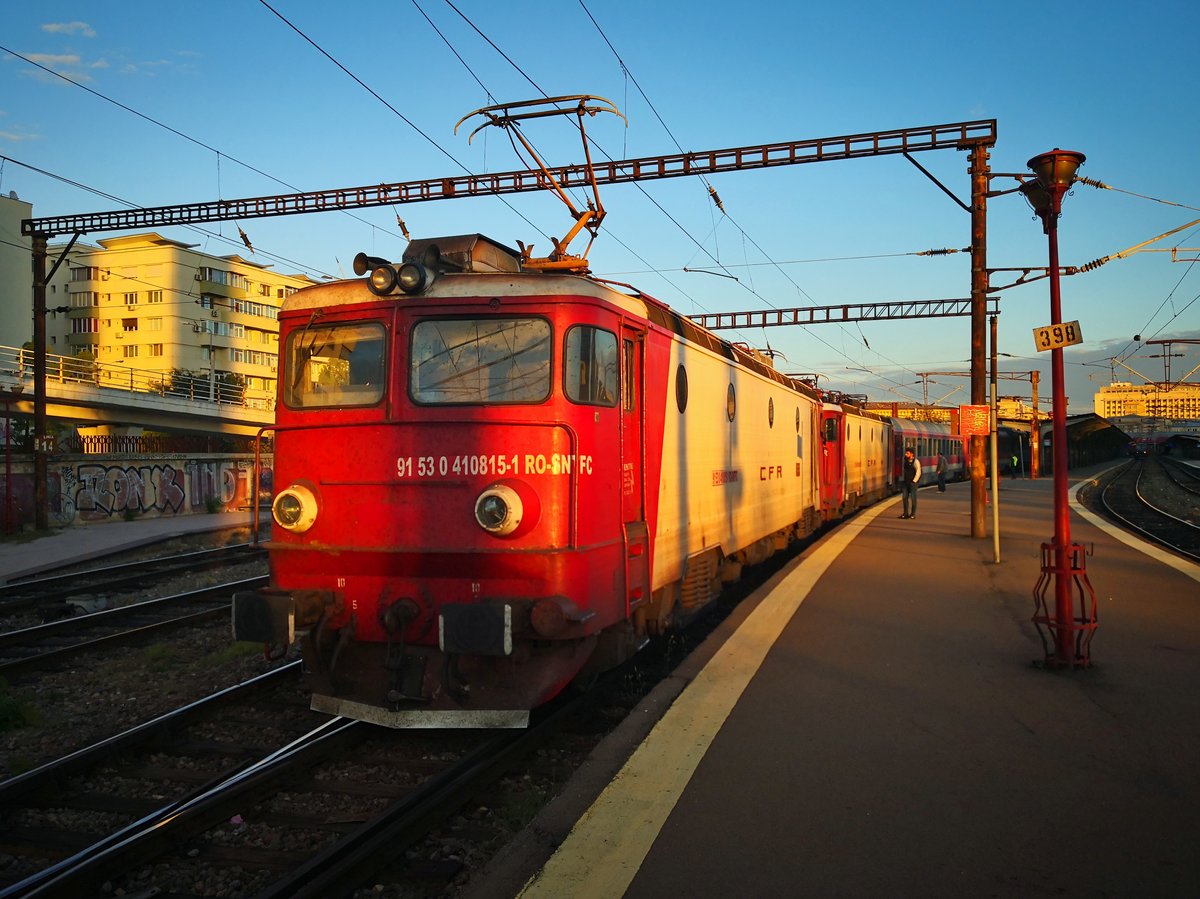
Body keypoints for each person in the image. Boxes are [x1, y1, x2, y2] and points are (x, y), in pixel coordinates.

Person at [899, 448, 921, 519]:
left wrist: (914, 481)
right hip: (905, 482)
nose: (906, 454)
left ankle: (913, 514)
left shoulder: (916, 462)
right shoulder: (905, 461)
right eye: (906, 453)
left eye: (907, 453)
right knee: (904, 498)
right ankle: (905, 513)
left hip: (913, 483)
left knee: (913, 498)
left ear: (912, 454)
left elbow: (918, 472)